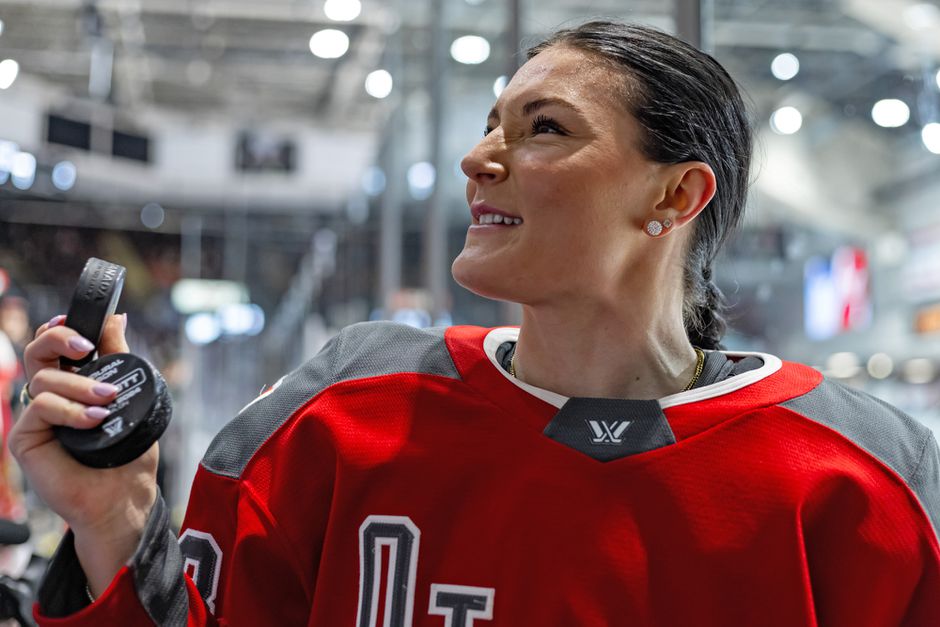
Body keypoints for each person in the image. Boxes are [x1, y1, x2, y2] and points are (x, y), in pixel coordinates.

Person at [10, 20, 940, 626]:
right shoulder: (337, 411)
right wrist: (117, 516)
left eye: (544, 129)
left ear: (675, 193)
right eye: (493, 122)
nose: (477, 157)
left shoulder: (864, 481)